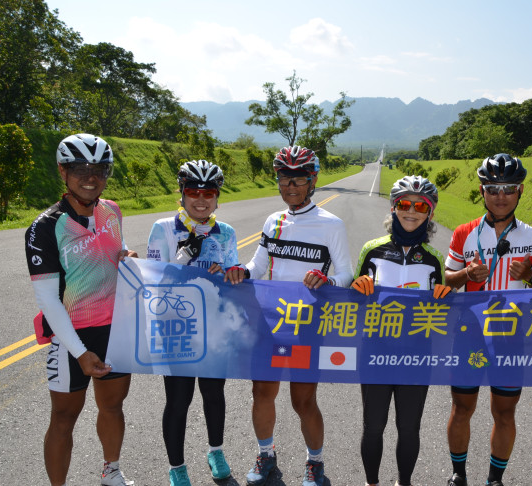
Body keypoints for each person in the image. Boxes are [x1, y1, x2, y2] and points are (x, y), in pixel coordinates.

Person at [224, 146, 353, 486]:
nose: (291, 186)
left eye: (299, 179)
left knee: (303, 400)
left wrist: (327, 280)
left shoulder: (331, 225)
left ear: (312, 181)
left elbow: (347, 276)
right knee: (262, 392)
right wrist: (242, 272)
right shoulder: (273, 221)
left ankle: (315, 462)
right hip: (271, 322)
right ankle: (266, 455)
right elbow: (258, 265)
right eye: (284, 178)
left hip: (308, 325)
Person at [25, 134, 136, 486]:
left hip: (114, 331)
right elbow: (47, 299)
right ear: (62, 171)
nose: (90, 177)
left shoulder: (112, 209)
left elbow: (116, 245)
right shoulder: (44, 227)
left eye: (99, 169)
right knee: (63, 418)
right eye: (79, 169)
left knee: (113, 407)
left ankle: (111, 472)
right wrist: (80, 352)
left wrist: (126, 254)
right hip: (70, 336)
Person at [444, 154, 532, 486]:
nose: (500, 196)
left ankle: (495, 479)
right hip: (470, 331)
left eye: (508, 189)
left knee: (504, 412)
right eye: (493, 189)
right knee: (462, 408)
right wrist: (466, 273)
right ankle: (458, 474)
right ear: (482, 191)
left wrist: (531, 276)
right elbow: (446, 279)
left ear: (520, 191)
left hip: (511, 334)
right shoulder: (465, 232)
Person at [351, 175, 451, 486]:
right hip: (375, 351)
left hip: (416, 355)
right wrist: (356, 289)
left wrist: (446, 301)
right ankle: (372, 483)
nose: (411, 211)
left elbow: (441, 315)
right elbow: (351, 302)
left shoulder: (435, 260)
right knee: (373, 426)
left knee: (409, 428)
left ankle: (403, 483)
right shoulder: (372, 250)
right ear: (394, 207)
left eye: (420, 205)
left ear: (430, 213)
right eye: (404, 204)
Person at [146, 160, 238, 486]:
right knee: (179, 399)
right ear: (181, 193)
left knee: (214, 394)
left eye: (209, 192)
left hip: (213, 328)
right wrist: (185, 261)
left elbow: (234, 278)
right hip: (176, 327)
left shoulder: (225, 233)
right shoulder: (163, 228)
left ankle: (216, 451)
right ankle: (177, 468)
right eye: (193, 191)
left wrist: (226, 277)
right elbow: (154, 279)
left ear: (217, 196)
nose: (201, 199)